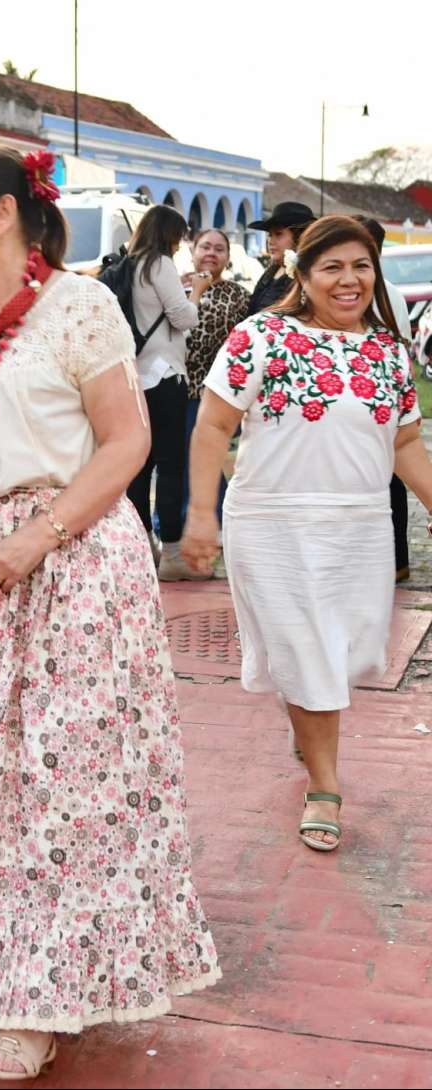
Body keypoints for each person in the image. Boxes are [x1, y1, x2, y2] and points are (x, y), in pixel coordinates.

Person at [0, 143, 219, 1081]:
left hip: (71, 569)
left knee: (56, 783)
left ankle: (41, 995)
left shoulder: (79, 306)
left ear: (6, 216)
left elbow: (127, 441)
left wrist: (37, 541)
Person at [182, 215, 432, 854]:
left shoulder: (387, 351)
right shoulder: (260, 336)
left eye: (362, 267)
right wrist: (201, 515)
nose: (350, 280)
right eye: (333, 267)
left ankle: (306, 710)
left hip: (361, 527)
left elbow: (405, 441)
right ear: (304, 273)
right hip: (272, 523)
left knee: (346, 653)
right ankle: (325, 784)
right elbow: (212, 428)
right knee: (308, 648)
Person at [123, 204, 198, 579]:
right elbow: (183, 318)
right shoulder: (159, 263)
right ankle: (171, 554)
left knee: (139, 467)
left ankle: (141, 548)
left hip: (135, 376)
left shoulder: (128, 263)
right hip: (165, 375)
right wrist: (195, 293)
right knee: (171, 467)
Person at [357, 215, 415, 582]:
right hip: (384, 397)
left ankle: (391, 561)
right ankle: (398, 561)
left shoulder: (377, 291)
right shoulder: (390, 290)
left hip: (376, 398)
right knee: (390, 479)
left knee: (385, 479)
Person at [180, 228, 249, 532]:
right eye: (205, 247)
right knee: (180, 459)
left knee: (201, 456)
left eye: (219, 249)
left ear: (227, 257)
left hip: (213, 391)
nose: (211, 253)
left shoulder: (238, 295)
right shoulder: (174, 289)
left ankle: (216, 520)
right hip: (175, 389)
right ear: (193, 251)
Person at [246, 201, 314, 314]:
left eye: (278, 234)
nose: (271, 241)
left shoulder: (306, 276)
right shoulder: (271, 271)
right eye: (270, 235)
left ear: (299, 237)